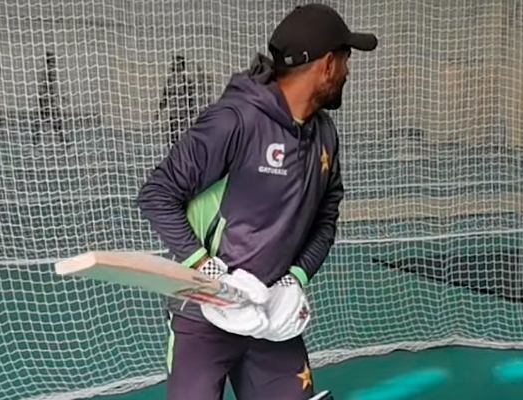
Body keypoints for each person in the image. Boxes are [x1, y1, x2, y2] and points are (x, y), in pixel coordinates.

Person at [137, 4, 377, 400]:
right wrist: (205, 268)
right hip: (204, 316)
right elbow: (158, 194)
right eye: (348, 61)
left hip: (270, 319)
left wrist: (294, 280)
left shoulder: (325, 135)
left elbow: (326, 217)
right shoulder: (235, 120)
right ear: (329, 65)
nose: (349, 73)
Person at [159, 55, 196, 146]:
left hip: (183, 113)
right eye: (174, 63)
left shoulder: (186, 80)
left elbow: (190, 97)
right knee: (173, 136)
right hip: (173, 113)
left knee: (183, 136)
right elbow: (165, 95)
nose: (174, 65)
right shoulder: (170, 80)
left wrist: (191, 112)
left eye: (177, 64)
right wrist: (160, 109)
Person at [34, 51, 66, 145]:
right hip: (46, 100)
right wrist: (43, 100)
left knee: (55, 120)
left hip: (50, 100)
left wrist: (60, 96)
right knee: (44, 120)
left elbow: (55, 87)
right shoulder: (46, 73)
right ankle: (36, 140)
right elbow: (43, 87)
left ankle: (61, 139)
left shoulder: (53, 73)